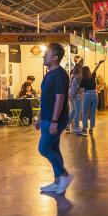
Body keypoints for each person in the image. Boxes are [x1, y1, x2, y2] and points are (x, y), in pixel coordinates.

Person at [36, 43, 72, 195]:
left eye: (47, 54)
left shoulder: (59, 75)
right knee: (54, 148)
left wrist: (54, 122)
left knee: (43, 148)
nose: (44, 56)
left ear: (55, 58)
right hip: (47, 118)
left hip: (55, 119)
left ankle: (64, 175)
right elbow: (46, 98)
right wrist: (40, 116)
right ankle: (58, 182)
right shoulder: (49, 74)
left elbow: (60, 98)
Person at [80, 60, 105, 135]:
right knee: (92, 113)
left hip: (87, 95)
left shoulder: (83, 79)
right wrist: (99, 63)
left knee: (84, 112)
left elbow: (82, 90)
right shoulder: (92, 76)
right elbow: (95, 69)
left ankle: (84, 129)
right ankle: (91, 128)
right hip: (94, 95)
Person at [67, 61, 84, 135]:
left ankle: (67, 125)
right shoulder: (78, 77)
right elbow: (78, 88)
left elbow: (71, 86)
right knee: (77, 111)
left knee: (73, 111)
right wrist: (81, 90)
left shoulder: (72, 76)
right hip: (77, 96)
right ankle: (76, 127)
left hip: (71, 95)